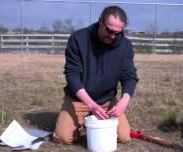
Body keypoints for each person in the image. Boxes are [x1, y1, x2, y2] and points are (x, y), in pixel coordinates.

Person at [53, 6, 138, 144]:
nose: (112, 36)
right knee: (63, 137)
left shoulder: (125, 46)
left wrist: (124, 100)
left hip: (106, 100)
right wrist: (91, 105)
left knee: (124, 137)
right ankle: (79, 119)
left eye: (117, 32)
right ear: (100, 21)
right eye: (109, 30)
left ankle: (91, 119)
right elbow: (72, 74)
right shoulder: (78, 39)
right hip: (79, 99)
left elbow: (129, 75)